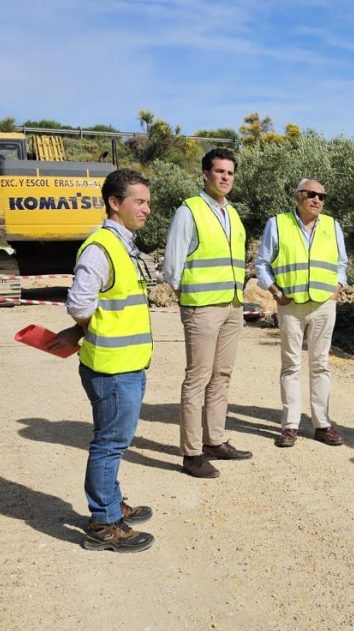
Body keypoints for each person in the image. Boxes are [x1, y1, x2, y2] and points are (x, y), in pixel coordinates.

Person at [49, 169, 156, 552]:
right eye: (139, 202)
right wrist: (90, 330)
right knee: (110, 443)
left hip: (126, 364)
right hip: (111, 368)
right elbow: (79, 303)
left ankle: (112, 504)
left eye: (147, 201)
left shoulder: (121, 245)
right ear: (115, 202)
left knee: (115, 440)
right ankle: (103, 524)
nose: (147, 208)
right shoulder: (100, 248)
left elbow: (106, 307)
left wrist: (85, 330)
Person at [162, 148, 252, 479]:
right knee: (198, 377)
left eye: (230, 172)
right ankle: (191, 453)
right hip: (202, 307)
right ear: (205, 174)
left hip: (232, 304)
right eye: (219, 172)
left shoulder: (233, 214)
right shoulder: (190, 210)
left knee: (222, 375)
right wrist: (186, 296)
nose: (226, 177)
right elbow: (173, 264)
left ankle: (214, 440)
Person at [253, 178, 348, 448]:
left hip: (323, 304)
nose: (317, 199)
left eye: (321, 196)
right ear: (298, 196)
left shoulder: (332, 225)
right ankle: (290, 425)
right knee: (291, 365)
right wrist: (274, 291)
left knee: (321, 365)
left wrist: (338, 287)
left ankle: (322, 424)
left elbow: (342, 263)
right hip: (290, 304)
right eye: (311, 194)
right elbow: (262, 263)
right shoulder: (278, 223)